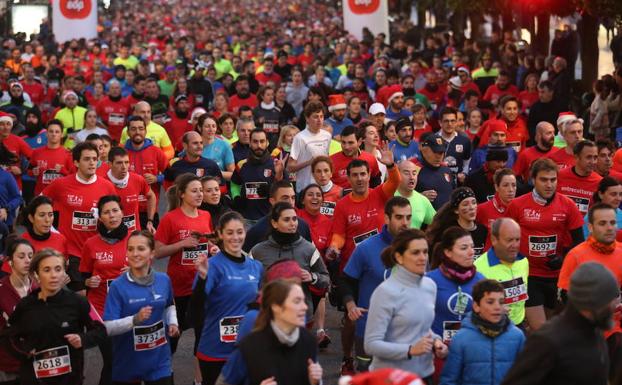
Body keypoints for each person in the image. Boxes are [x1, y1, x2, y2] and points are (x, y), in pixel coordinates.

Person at [501, 262, 620, 385]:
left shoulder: (595, 333)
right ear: (593, 302)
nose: (615, 305)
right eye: (610, 300)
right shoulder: (548, 340)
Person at [5, 248, 107, 385]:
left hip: (70, 378)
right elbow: (7, 335)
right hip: (34, 379)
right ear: (36, 275)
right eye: (47, 270)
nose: (53, 275)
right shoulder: (25, 305)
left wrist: (82, 338)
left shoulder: (79, 302)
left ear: (64, 272)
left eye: (58, 269)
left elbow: (100, 330)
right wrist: (24, 352)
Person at [507, 158, 584, 330]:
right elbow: (505, 238)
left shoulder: (568, 205)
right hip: (529, 275)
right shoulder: (517, 205)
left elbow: (580, 242)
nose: (549, 185)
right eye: (543, 180)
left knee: (553, 331)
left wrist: (563, 259)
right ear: (533, 180)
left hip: (558, 276)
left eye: (553, 180)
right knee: (541, 329)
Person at [364, 229, 448, 382]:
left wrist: (437, 342)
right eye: (415, 253)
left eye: (425, 252)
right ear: (399, 257)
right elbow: (371, 344)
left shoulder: (430, 286)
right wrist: (410, 350)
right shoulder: (385, 292)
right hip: (390, 378)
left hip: (424, 375)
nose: (423, 258)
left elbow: (421, 328)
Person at [340, 197, 412, 373]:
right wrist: (350, 306)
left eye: (408, 217)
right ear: (386, 218)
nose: (405, 223)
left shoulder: (416, 248)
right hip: (370, 331)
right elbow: (346, 281)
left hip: (405, 331)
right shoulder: (366, 248)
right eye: (399, 217)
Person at [195, 211, 263, 385]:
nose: (235, 237)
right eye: (230, 232)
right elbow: (194, 311)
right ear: (220, 234)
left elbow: (261, 307)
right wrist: (202, 280)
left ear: (245, 233)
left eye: (239, 232)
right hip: (215, 351)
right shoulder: (212, 266)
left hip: (245, 350)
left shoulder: (256, 267)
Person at [103, 230, 179, 385]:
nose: (134, 254)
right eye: (130, 249)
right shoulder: (118, 286)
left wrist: (173, 323)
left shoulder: (164, 280)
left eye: (141, 249)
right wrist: (134, 319)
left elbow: (169, 305)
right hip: (128, 362)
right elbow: (108, 327)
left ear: (152, 253)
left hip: (159, 362)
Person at [41, 142, 117, 291]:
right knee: (81, 294)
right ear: (76, 162)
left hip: (98, 252)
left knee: (97, 294)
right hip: (72, 252)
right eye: (87, 159)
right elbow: (38, 204)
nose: (92, 163)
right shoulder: (61, 184)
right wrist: (52, 231)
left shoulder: (107, 186)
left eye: (95, 159)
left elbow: (116, 218)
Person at [155, 173, 214, 354]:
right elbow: (157, 252)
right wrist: (182, 244)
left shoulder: (205, 215)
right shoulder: (170, 218)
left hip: (201, 285)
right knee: (173, 335)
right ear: (182, 194)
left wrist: (213, 248)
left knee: (203, 335)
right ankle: (165, 372)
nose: (199, 195)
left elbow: (206, 243)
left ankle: (199, 378)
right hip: (179, 287)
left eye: (201, 191)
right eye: (194, 191)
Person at [79, 195, 130, 385]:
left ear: (122, 213)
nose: (112, 215)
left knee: (128, 359)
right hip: (102, 311)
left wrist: (135, 271)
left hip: (129, 308)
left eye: (115, 210)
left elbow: (148, 274)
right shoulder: (90, 244)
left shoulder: (135, 239)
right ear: (100, 217)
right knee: (112, 359)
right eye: (107, 212)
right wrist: (89, 282)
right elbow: (83, 276)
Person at [234, 279, 323, 385]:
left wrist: (315, 382)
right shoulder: (250, 345)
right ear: (276, 307)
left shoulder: (308, 340)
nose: (305, 307)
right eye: (296, 301)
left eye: (304, 301)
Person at [250, 202, 329, 319]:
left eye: (294, 219)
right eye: (287, 220)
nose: (293, 224)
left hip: (300, 317)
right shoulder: (258, 251)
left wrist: (312, 277)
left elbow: (326, 280)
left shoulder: (308, 249)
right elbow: (248, 281)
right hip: (268, 316)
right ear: (274, 223)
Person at [440, 279, 526, 385]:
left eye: (501, 302)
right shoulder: (461, 339)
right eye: (490, 302)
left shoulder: (517, 336)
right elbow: (449, 380)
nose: (497, 307)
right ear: (476, 306)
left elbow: (525, 375)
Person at [428, 226, 484, 348]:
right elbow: (418, 321)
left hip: (469, 351)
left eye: (472, 247)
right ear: (448, 252)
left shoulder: (481, 281)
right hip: (436, 352)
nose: (471, 252)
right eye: (464, 248)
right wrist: (435, 343)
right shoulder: (430, 280)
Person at [475, 218, 530, 327]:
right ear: (494, 240)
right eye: (509, 240)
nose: (514, 245)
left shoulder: (523, 262)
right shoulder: (478, 268)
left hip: (518, 326)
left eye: (517, 239)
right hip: (491, 329)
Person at [0, 237, 37, 384]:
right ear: (10, 261)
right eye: (21, 257)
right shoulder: (1, 290)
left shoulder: (40, 288)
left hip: (37, 363)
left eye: (30, 256)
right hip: (8, 364)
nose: (27, 260)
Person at [243, 181, 313, 252]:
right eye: (285, 198)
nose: (291, 202)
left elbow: (310, 255)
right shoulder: (257, 231)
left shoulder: (303, 226)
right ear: (272, 201)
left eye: (293, 198)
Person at [231, 129, 284, 221]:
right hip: (246, 219)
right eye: (255, 142)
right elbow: (234, 183)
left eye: (262, 141)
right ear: (250, 143)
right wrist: (236, 197)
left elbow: (288, 190)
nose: (259, 145)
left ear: (267, 143)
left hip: (270, 219)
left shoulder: (276, 164)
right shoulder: (241, 164)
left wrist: (278, 177)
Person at [105, 147, 157, 233]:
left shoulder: (137, 179)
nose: (124, 167)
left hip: (133, 236)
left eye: (126, 162)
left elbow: (151, 196)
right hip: (111, 236)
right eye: (119, 163)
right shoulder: (102, 182)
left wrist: (150, 221)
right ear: (110, 164)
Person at [427, 187, 488, 258]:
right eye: (465, 204)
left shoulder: (483, 230)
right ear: (456, 210)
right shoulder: (448, 231)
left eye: (474, 203)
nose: (471, 207)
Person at [287, 101, 332, 193]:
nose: (319, 120)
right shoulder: (299, 138)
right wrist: (309, 162)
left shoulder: (327, 135)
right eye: (315, 117)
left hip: (323, 188)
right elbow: (290, 167)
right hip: (305, 187)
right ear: (307, 118)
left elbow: (327, 159)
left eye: (321, 116)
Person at [556, 140, 602, 215]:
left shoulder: (600, 182)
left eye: (595, 157)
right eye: (588, 157)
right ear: (576, 157)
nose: (593, 162)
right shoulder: (559, 176)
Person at [29, 119, 73, 196]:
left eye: (57, 132)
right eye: (51, 131)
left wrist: (62, 170)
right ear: (46, 133)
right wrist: (33, 172)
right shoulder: (37, 152)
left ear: (62, 134)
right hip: (41, 195)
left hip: (60, 195)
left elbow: (73, 176)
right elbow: (29, 170)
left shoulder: (68, 154)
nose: (54, 134)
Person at [330, 125, 381, 189]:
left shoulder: (370, 159)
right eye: (343, 142)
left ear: (359, 141)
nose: (346, 147)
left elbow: (376, 183)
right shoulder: (331, 161)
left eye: (350, 143)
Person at [476, 168, 517, 245]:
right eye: (505, 185)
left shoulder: (520, 209)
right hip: (489, 255)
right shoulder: (482, 209)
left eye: (514, 185)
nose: (511, 190)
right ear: (496, 187)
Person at [415, 132, 455, 210]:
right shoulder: (414, 170)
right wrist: (419, 197)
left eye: (441, 153)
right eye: (435, 152)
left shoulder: (447, 170)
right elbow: (402, 197)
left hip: (447, 219)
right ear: (424, 151)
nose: (438, 157)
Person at [395, 160, 436, 230]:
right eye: (406, 173)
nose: (411, 177)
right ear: (397, 175)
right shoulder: (388, 196)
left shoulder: (423, 200)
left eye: (414, 173)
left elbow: (437, 223)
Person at [437, 107, 471, 183]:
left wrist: (464, 173)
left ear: (456, 122)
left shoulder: (465, 141)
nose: (449, 124)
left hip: (458, 183)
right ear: (440, 122)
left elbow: (467, 162)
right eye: (446, 121)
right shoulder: (433, 140)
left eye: (452, 121)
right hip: (438, 182)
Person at [198, 114, 235, 179]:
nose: (211, 129)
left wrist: (213, 173)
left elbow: (232, 174)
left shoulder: (225, 145)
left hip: (218, 185)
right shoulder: (192, 143)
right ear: (199, 127)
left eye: (213, 126)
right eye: (207, 126)